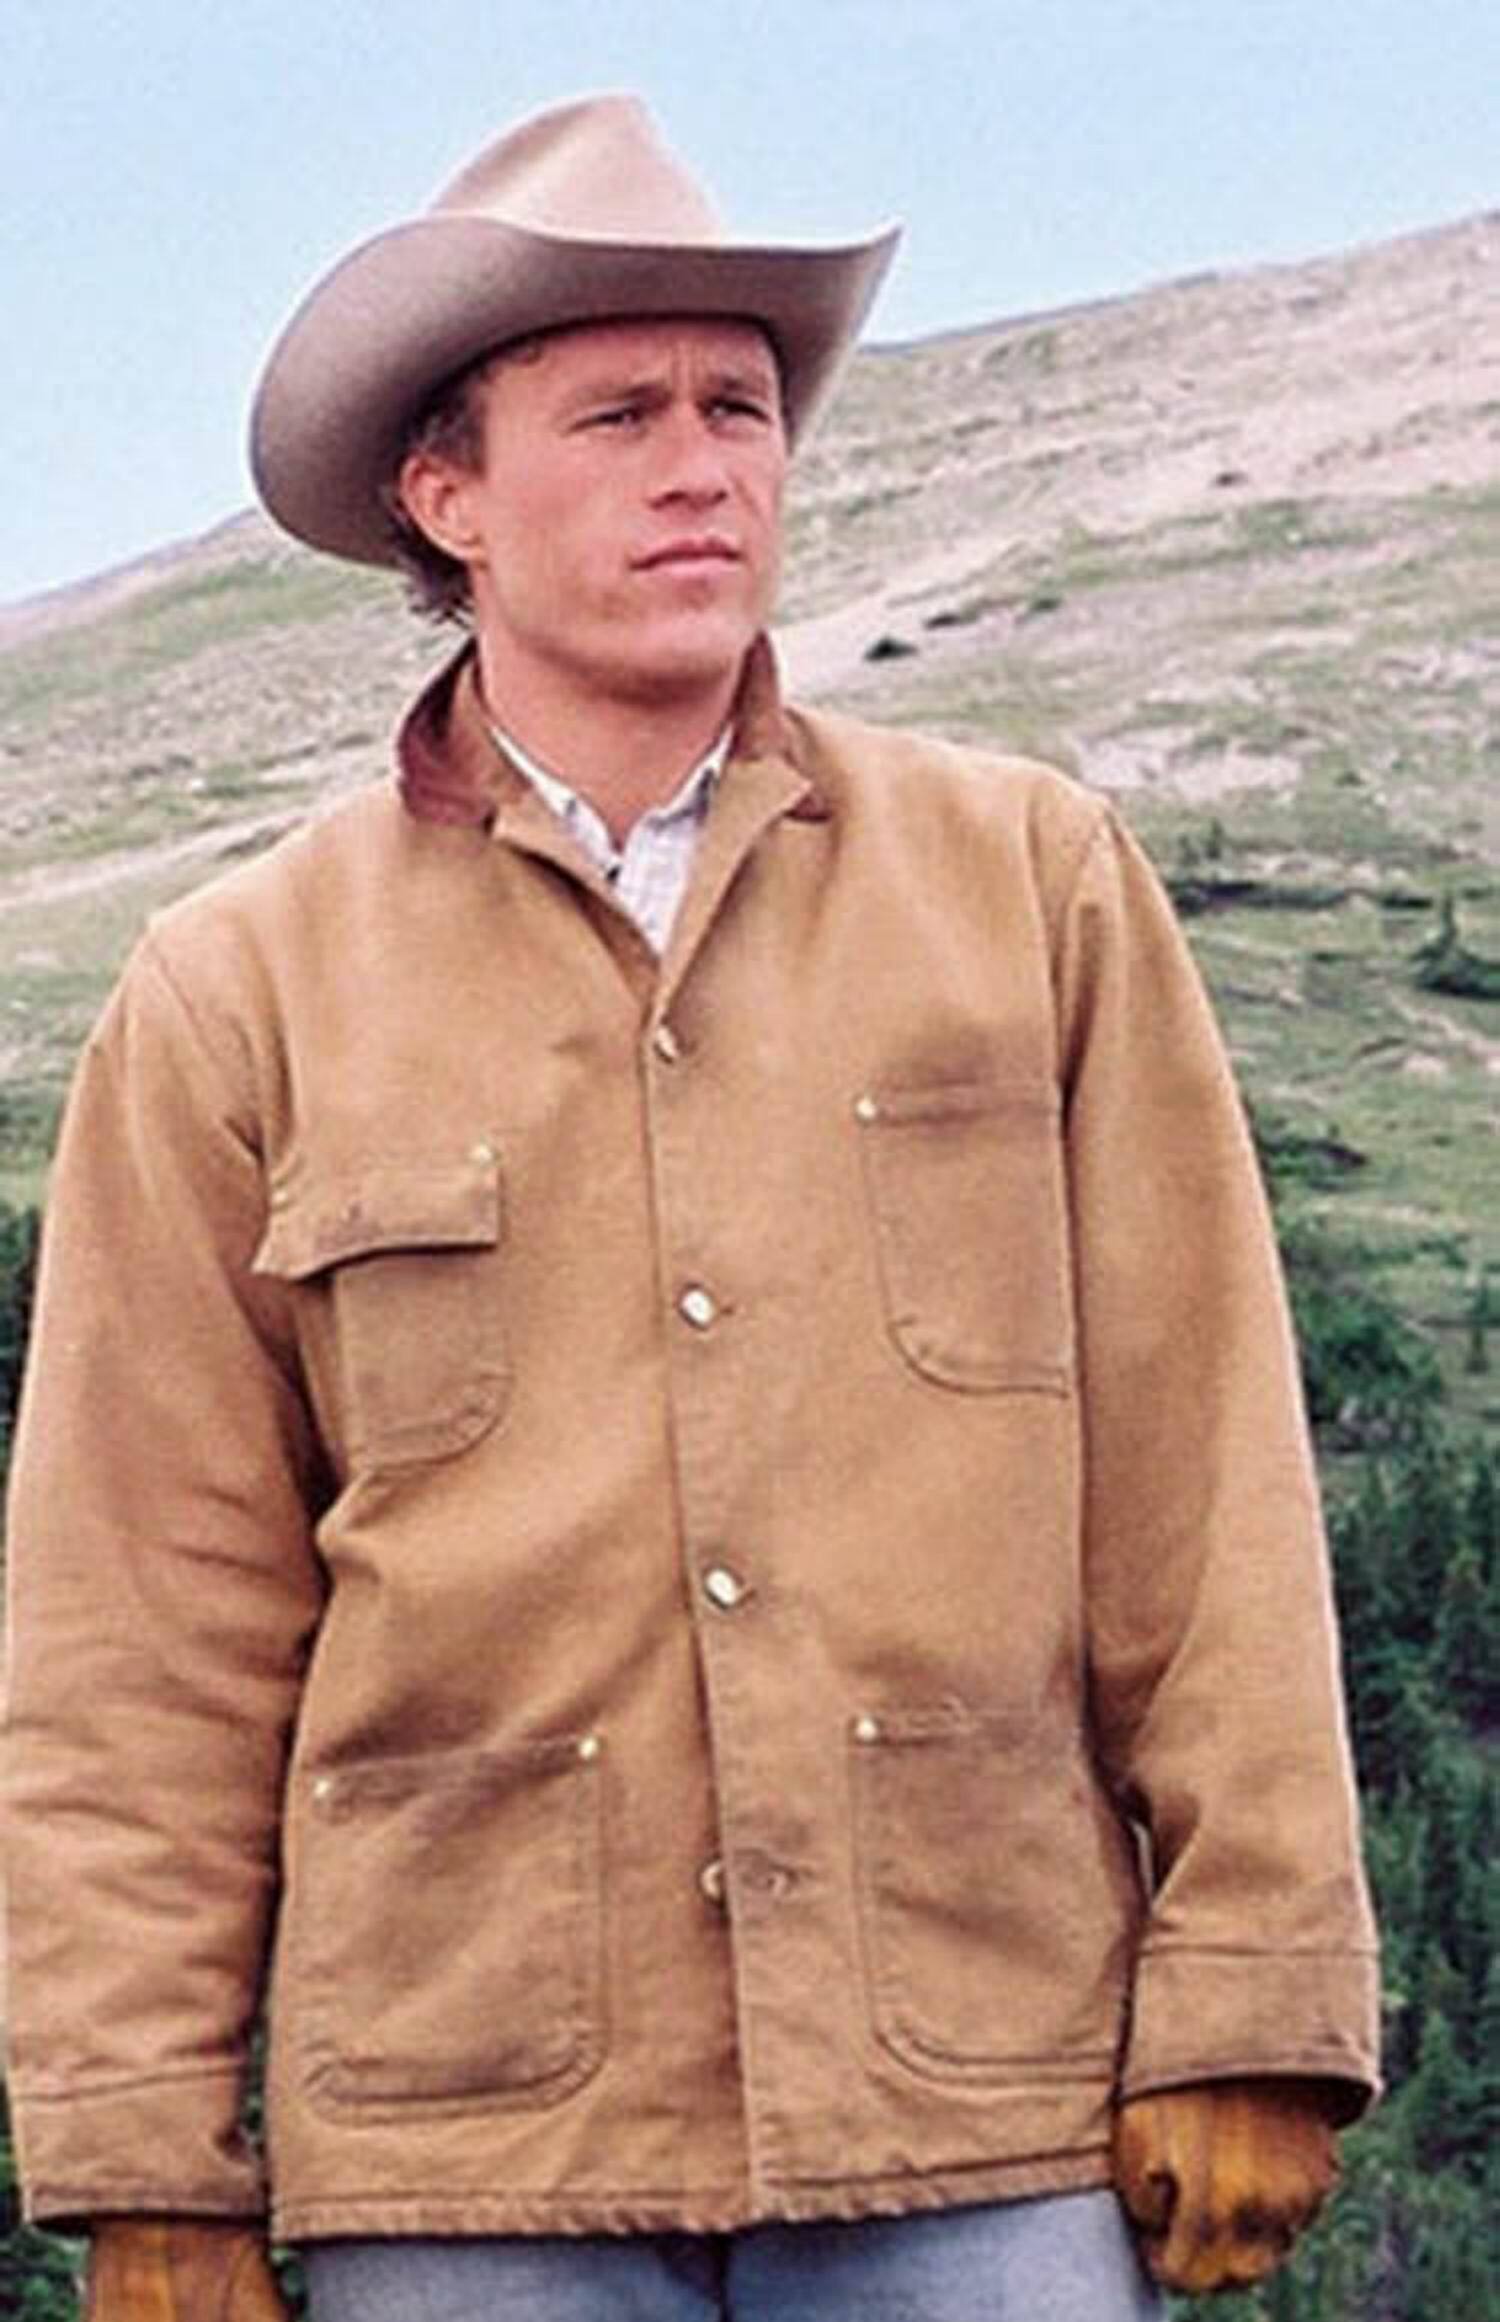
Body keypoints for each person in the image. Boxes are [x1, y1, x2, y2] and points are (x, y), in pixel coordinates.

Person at [3, 94, 1380, 2322]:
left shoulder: (1032, 889)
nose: (704, 467)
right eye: (620, 414)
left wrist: (1255, 1991)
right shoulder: (232, 993)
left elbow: (1204, 1474)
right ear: (444, 495)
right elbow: (139, 1633)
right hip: (466, 2148)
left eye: (739, 408)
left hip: (984, 2097)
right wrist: (148, 2159)